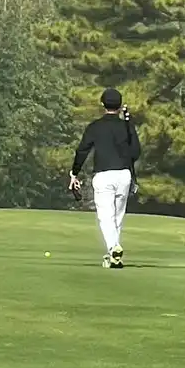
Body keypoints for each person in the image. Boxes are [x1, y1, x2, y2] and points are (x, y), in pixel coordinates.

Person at [68, 88, 140, 268]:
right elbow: (136, 152)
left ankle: (113, 247)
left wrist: (74, 173)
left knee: (106, 217)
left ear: (102, 104)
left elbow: (82, 150)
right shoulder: (126, 126)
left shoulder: (95, 127)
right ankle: (114, 255)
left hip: (103, 175)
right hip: (124, 175)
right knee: (117, 216)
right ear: (120, 105)